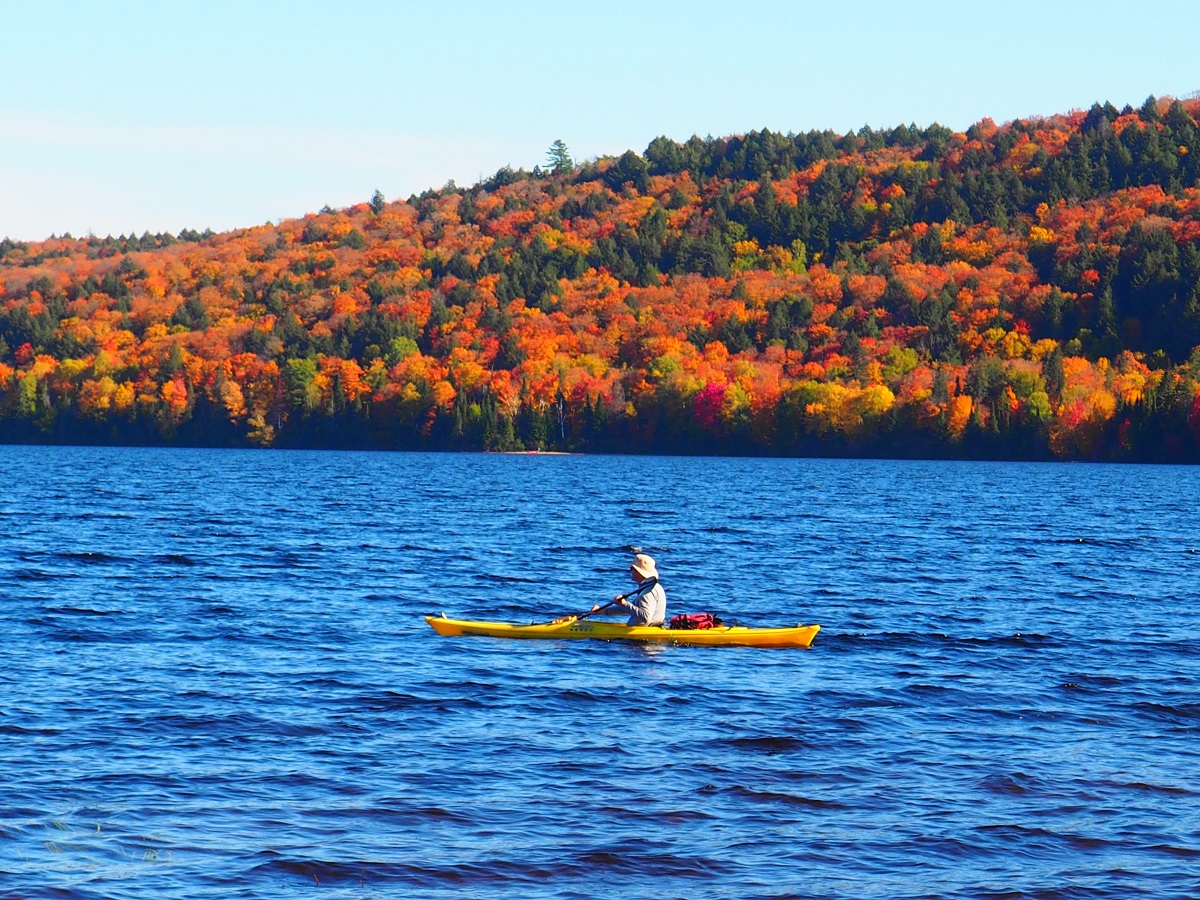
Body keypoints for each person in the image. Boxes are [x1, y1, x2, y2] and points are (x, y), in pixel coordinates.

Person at [593, 553, 666, 626]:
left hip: (641, 630)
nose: (630, 571)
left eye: (631, 568)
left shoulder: (647, 591)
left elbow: (645, 617)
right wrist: (604, 611)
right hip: (654, 627)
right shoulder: (655, 587)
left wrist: (625, 604)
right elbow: (630, 609)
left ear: (638, 572)